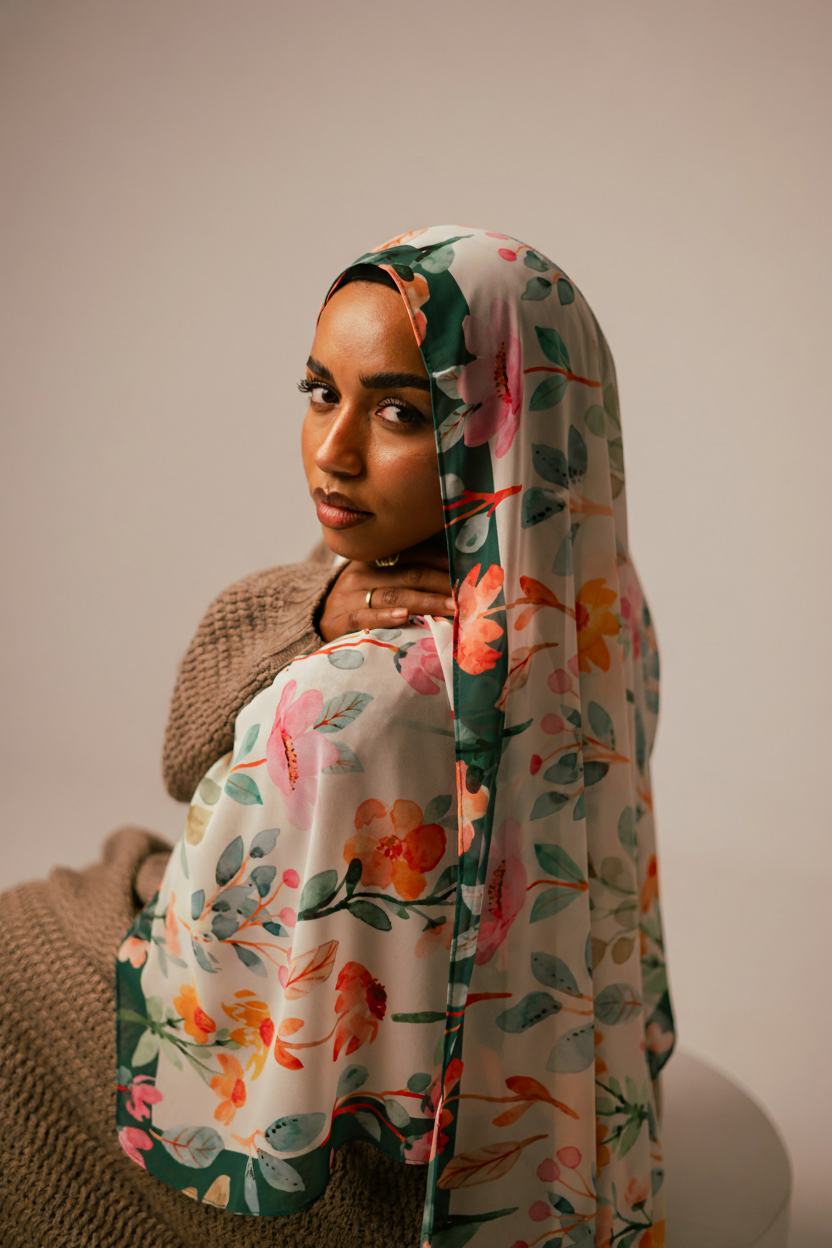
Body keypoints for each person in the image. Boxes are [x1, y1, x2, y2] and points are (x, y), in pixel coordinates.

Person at [0, 227, 674, 1248]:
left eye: (400, 410)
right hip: (531, 1080)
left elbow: (195, 815)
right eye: (322, 393)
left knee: (17, 956)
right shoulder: (593, 597)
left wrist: (310, 627)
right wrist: (318, 598)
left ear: (493, 413)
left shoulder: (356, 694)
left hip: (343, 1132)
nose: (334, 450)